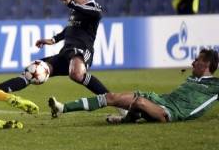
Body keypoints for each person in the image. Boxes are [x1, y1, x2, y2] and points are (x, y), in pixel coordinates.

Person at [0, 0, 112, 99]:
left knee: (76, 74)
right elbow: (69, 29)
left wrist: (71, 4)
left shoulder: (93, 7)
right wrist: (52, 40)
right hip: (65, 53)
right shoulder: (76, 10)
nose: (70, 1)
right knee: (32, 72)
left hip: (82, 51)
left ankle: (115, 100)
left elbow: (96, 14)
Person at [48, 49, 219, 124]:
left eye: (197, 60)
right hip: (159, 99)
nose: (193, 62)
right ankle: (62, 108)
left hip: (169, 113)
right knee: (111, 97)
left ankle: (125, 119)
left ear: (206, 64)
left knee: (139, 103)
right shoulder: (193, 79)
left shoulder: (215, 86)